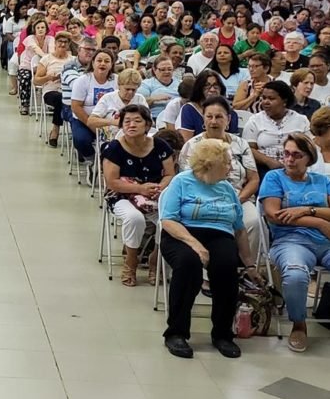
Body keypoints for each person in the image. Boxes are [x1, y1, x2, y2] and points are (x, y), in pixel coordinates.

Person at [159, 138, 257, 358]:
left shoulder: (228, 189)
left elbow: (239, 229)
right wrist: (195, 244)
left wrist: (249, 264)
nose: (232, 168)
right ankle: (176, 332)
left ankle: (222, 334)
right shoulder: (181, 182)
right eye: (228, 163)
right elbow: (168, 220)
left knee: (226, 265)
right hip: (181, 234)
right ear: (210, 164)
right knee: (188, 264)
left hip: (219, 234)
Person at [259, 133, 330, 352]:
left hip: (326, 241)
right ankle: (299, 324)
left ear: (309, 158)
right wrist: (318, 222)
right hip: (290, 240)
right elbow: (274, 214)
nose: (289, 159)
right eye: (286, 154)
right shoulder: (274, 177)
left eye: (296, 155)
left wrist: (306, 210)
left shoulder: (322, 181)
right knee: (296, 274)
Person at [101, 104, 177, 287]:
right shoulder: (114, 148)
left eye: (137, 121)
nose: (131, 125)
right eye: (126, 121)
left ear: (147, 125)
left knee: (169, 219)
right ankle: (131, 261)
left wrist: (159, 188)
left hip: (155, 193)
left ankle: (155, 260)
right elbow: (112, 182)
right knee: (135, 218)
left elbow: (169, 174)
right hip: (121, 195)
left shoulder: (160, 146)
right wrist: (141, 189)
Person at [243, 80, 311, 173]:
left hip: (296, 167)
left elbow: (310, 147)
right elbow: (248, 149)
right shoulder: (255, 120)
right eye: (263, 98)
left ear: (284, 101)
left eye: (271, 98)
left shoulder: (301, 120)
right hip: (264, 169)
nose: (265, 102)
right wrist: (269, 162)